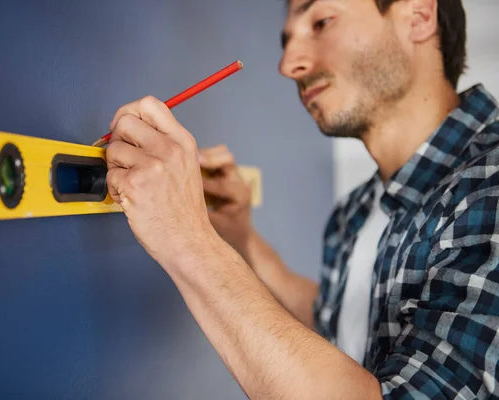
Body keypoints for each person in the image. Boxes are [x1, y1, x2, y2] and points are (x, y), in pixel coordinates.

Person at [103, 0, 499, 398]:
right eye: (287, 40)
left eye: (321, 22)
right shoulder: (356, 212)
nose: (288, 64)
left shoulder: (492, 185)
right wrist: (242, 240)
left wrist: (188, 240)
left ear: (418, 16)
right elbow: (342, 321)